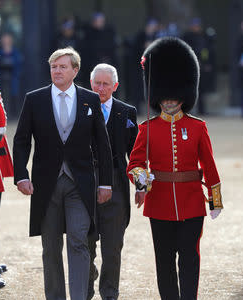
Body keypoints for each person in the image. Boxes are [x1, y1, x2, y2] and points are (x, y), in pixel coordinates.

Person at [126, 37, 223, 300]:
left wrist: (215, 200)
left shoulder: (197, 127)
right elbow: (134, 164)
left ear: (184, 97)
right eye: (165, 98)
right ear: (157, 97)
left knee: (190, 257)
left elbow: (210, 166)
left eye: (174, 98)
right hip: (159, 203)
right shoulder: (147, 128)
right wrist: (142, 180)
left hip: (192, 201)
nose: (169, 102)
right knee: (165, 261)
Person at [13, 47, 113, 300]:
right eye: (54, 67)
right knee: (50, 246)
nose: (57, 71)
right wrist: (21, 174)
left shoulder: (90, 99)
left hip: (80, 183)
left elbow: (102, 144)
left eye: (63, 67)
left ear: (75, 70)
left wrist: (106, 184)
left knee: (78, 241)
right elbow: (22, 139)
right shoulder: (34, 99)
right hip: (46, 185)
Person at [87, 63, 137, 300]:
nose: (101, 88)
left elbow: (136, 155)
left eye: (106, 84)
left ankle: (109, 293)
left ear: (115, 86)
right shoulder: (79, 107)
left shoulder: (127, 112)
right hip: (85, 181)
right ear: (90, 83)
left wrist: (142, 185)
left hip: (116, 182)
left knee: (113, 245)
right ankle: (85, 287)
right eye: (97, 83)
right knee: (84, 242)